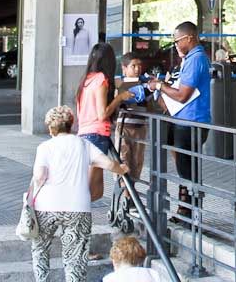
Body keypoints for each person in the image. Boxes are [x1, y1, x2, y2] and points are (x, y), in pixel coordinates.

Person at [29, 105, 129, 282]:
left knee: (40, 250)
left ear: (50, 128)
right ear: (72, 124)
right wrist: (121, 169)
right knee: (75, 257)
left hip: (46, 206)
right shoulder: (84, 144)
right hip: (77, 207)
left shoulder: (44, 147)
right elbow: (108, 164)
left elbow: (39, 176)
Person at [147, 21, 211, 219]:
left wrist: (160, 86)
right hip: (183, 120)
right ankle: (185, 211)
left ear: (189, 38)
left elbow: (182, 95)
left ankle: (189, 213)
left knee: (187, 170)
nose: (175, 45)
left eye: (177, 41)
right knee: (184, 168)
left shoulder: (196, 59)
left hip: (191, 122)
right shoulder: (190, 59)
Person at [75, 42, 132, 197]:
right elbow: (102, 113)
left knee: (97, 191)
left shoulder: (86, 79)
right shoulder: (101, 79)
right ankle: (72, 210)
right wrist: (120, 97)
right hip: (97, 136)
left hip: (84, 134)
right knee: (89, 191)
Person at [117, 53, 152, 191]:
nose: (137, 69)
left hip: (140, 127)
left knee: (137, 161)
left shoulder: (144, 84)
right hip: (124, 127)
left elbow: (149, 105)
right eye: (133, 66)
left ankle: (131, 192)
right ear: (124, 68)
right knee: (123, 158)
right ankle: (125, 193)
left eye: (139, 66)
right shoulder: (120, 83)